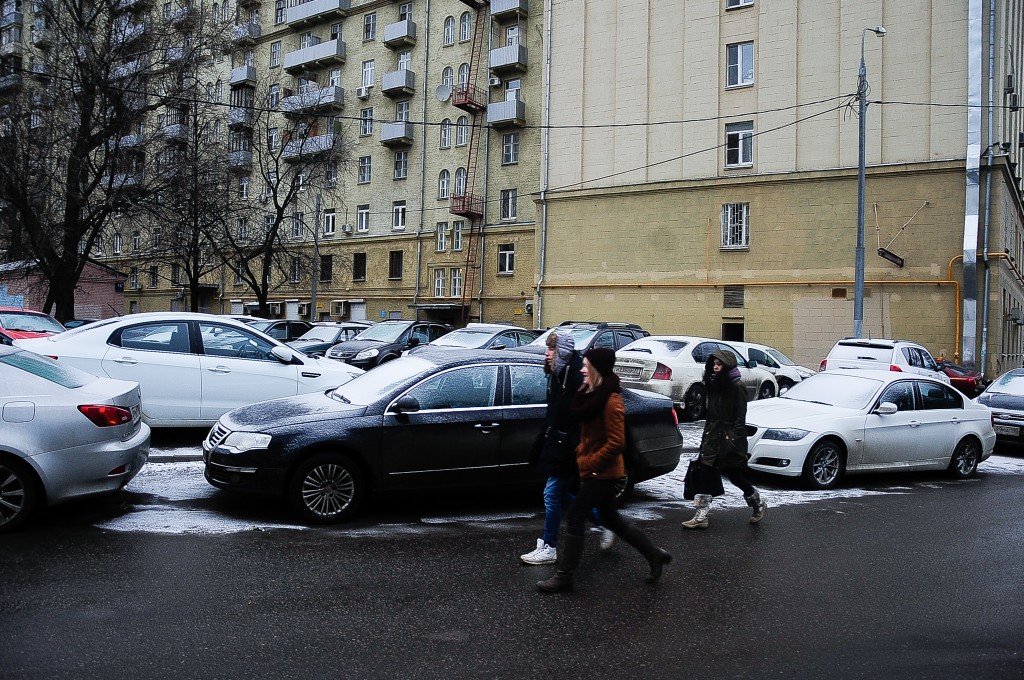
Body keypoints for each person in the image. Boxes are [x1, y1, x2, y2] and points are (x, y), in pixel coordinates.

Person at [537, 347, 672, 593]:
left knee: (576, 517)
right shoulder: (592, 394)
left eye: (585, 366)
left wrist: (590, 462)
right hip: (596, 469)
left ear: (596, 370)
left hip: (603, 472)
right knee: (612, 519)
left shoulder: (611, 401)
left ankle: (564, 576)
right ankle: (654, 554)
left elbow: (616, 442)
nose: (581, 369)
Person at [521, 332, 613, 566]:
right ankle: (605, 522)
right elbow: (552, 413)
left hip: (570, 447)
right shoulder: (557, 374)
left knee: (551, 494)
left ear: (561, 351)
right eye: (547, 349)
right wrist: (541, 441)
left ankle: (549, 546)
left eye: (551, 349)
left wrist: (576, 446)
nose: (547, 353)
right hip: (557, 443)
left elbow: (583, 416)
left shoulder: (575, 375)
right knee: (563, 495)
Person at [682, 350, 767, 529]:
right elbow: (711, 416)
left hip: (729, 439)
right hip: (712, 437)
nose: (715, 367)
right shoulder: (714, 385)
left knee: (734, 476)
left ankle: (757, 501)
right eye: (713, 364)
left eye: (719, 364)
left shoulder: (737, 386)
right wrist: (706, 436)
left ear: (727, 365)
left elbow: (739, 418)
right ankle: (701, 515)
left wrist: (732, 440)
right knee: (705, 473)